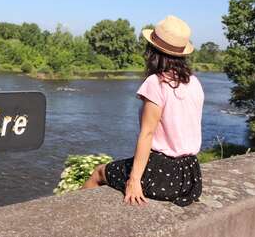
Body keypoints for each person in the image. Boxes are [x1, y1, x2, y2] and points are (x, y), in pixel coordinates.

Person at [83, 15, 204, 207]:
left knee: (99, 172)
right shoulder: (194, 82)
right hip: (190, 176)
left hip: (163, 174)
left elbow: (147, 134)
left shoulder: (156, 83)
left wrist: (134, 181)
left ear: (152, 51)